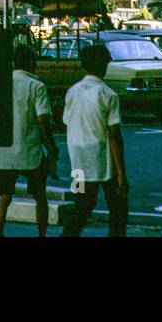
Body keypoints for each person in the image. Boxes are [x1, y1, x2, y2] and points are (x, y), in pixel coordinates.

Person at [61, 43, 129, 236]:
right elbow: (115, 136)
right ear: (103, 65)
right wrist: (122, 174)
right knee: (118, 208)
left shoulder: (72, 92)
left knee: (79, 207)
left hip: (77, 163)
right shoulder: (108, 95)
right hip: (105, 164)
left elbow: (67, 121)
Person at [0, 45, 59, 237]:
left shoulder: (1, 84)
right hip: (30, 152)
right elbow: (42, 120)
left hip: (3, 152)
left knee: (4, 197)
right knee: (40, 197)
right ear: (31, 63)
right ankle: (41, 235)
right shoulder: (36, 86)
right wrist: (52, 147)